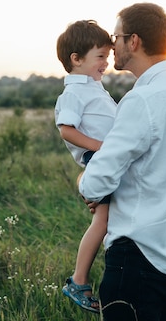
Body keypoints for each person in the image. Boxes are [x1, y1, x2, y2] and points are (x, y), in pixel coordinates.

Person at [79, 3, 166, 320]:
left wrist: (85, 182)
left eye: (116, 36)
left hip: (139, 256)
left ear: (133, 41)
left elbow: (96, 181)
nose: (112, 45)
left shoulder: (142, 100)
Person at [54, 20, 117, 314]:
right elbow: (66, 129)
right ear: (76, 60)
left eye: (108, 55)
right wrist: (102, 148)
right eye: (100, 56)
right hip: (98, 158)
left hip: (105, 157)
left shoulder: (93, 88)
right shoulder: (74, 93)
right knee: (102, 222)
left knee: (111, 219)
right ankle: (78, 281)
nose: (107, 62)